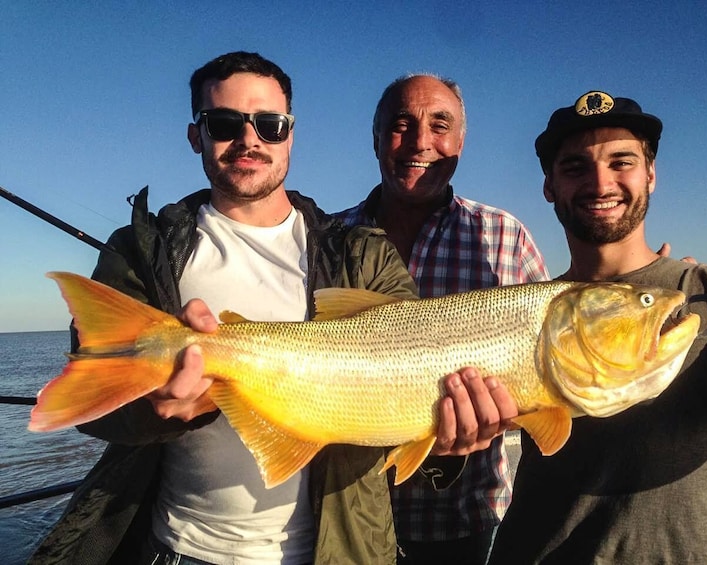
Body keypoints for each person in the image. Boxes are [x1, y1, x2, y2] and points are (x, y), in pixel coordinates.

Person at [30, 52, 518, 565]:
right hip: (179, 547)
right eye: (223, 123)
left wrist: (445, 433)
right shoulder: (142, 251)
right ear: (196, 135)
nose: (249, 140)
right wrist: (159, 413)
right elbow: (99, 407)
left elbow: (402, 376)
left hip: (334, 552)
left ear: (290, 133)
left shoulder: (362, 253)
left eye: (269, 123)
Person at [491, 90, 707, 563]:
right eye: (575, 167)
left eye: (622, 161)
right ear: (549, 186)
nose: (600, 182)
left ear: (651, 174)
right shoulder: (519, 312)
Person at [335, 74, 549, 564]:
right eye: (401, 125)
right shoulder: (327, 237)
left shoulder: (504, 236)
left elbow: (551, 351)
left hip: (464, 523)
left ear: (460, 141)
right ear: (375, 138)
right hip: (342, 519)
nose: (420, 142)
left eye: (439, 125)